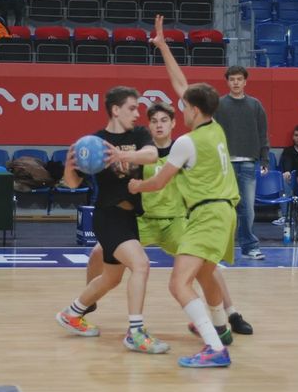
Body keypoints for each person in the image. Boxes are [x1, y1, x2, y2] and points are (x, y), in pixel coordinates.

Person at [83, 101, 255, 338]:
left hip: (174, 222)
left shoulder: (183, 149)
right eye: (154, 121)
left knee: (207, 264)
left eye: (164, 120)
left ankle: (232, 313)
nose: (159, 125)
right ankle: (89, 301)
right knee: (97, 253)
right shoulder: (142, 153)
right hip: (143, 221)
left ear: (174, 123)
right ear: (149, 126)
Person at [128, 14, 238, 368]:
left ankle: (215, 348)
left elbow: (159, 182)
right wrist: (163, 47)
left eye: (185, 106)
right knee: (205, 274)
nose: (181, 106)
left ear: (194, 111)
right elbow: (182, 85)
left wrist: (137, 184)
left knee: (179, 284)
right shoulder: (215, 127)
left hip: (207, 214)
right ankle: (220, 328)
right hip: (225, 212)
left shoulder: (186, 143)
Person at [55, 86, 169, 355]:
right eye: (132, 108)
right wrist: (69, 166)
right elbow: (73, 184)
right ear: (116, 110)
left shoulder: (139, 134)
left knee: (111, 277)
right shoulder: (94, 141)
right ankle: (135, 333)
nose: (137, 113)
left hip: (129, 217)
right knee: (141, 265)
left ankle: (72, 314)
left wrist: (122, 155)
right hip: (108, 215)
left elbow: (152, 155)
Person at [213, 65, 270, 260]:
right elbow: (212, 134)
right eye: (232, 79)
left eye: (239, 79)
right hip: (224, 165)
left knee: (247, 209)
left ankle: (249, 247)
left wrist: (264, 159)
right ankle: (220, 247)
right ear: (227, 82)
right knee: (223, 208)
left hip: (248, 163)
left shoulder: (255, 105)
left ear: (245, 82)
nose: (236, 82)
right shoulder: (219, 105)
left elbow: (263, 134)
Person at [273, 125, 298, 226]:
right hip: (292, 183)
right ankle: (286, 216)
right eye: (296, 135)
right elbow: (286, 163)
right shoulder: (288, 151)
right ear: (293, 137)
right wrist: (287, 171)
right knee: (283, 180)